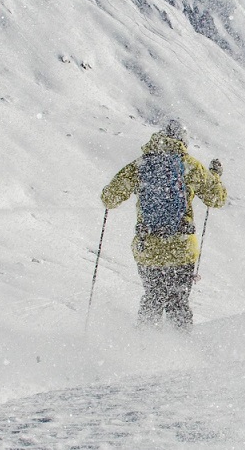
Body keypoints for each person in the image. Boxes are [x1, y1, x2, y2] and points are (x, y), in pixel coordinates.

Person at [101, 119, 226, 331]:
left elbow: (109, 198)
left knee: (153, 296)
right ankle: (181, 349)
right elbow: (217, 199)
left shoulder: (141, 165)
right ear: (183, 141)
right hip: (181, 247)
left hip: (148, 248)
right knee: (178, 302)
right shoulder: (189, 165)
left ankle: (144, 346)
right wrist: (215, 175)